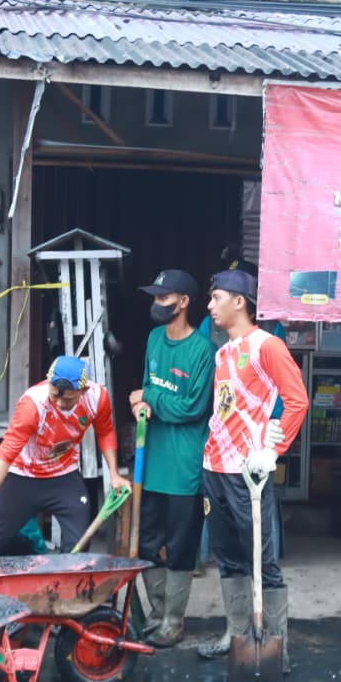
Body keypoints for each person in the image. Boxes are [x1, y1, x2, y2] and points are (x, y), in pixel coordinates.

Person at [196, 269, 308, 667]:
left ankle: (277, 645)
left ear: (239, 301)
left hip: (249, 472)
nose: (209, 306)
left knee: (263, 559)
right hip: (215, 466)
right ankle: (237, 634)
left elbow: (297, 401)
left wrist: (273, 451)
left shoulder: (268, 346)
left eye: (215, 298)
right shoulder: (223, 352)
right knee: (227, 557)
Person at [128, 269, 215, 647]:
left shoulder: (203, 351)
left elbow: (193, 407)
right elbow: (147, 387)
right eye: (154, 298)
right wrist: (139, 403)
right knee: (148, 543)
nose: (156, 304)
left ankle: (174, 621)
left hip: (184, 467)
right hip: (151, 459)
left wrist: (149, 401)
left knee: (181, 547)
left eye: (163, 298)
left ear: (183, 302)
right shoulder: (152, 339)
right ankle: (157, 613)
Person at [0, 355, 129, 556]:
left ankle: (70, 585)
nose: (60, 403)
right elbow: (4, 457)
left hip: (64, 476)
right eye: (54, 396)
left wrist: (114, 474)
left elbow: (105, 431)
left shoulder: (97, 398)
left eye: (68, 399)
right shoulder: (32, 405)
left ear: (83, 391)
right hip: (23, 476)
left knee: (79, 543)